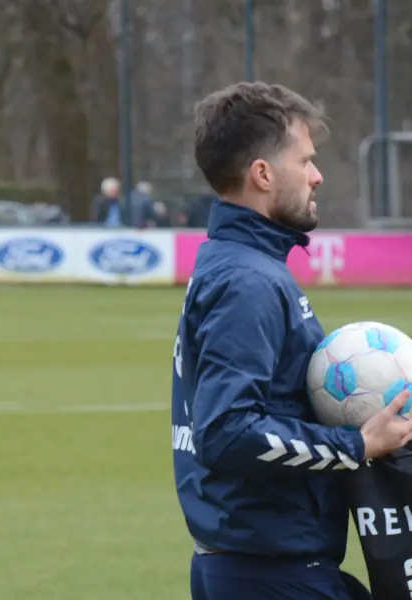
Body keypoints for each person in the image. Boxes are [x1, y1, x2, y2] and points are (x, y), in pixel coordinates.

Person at [170, 81, 412, 600]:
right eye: (305, 161)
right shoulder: (247, 282)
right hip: (268, 572)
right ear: (262, 173)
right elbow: (225, 432)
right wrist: (357, 445)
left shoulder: (238, 264)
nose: (317, 175)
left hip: (263, 564)